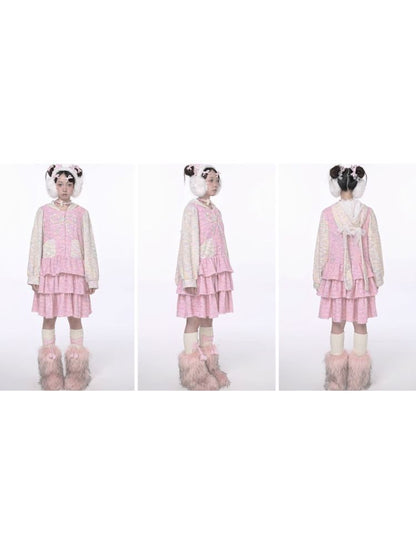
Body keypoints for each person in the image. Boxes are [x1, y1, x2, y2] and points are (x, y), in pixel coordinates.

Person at [27, 164, 99, 390]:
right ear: (53, 186)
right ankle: (50, 373)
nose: (64, 188)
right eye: (60, 184)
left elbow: (89, 245)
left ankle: (77, 372)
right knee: (49, 317)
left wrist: (92, 277)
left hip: (75, 274)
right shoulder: (43, 212)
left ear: (75, 186)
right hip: (50, 273)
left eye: (69, 184)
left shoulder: (82, 214)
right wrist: (34, 275)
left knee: (75, 317)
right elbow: (35, 243)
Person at [313, 165, 384, 390]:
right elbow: (374, 246)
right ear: (357, 185)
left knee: (337, 323)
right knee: (360, 323)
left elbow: (322, 248)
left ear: (336, 185)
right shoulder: (367, 213)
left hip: (336, 278)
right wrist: (378, 275)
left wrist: (318, 276)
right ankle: (359, 380)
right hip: (361, 277)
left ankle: (336, 378)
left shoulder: (328, 214)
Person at [175, 164, 233, 390]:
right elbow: (188, 243)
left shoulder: (215, 211)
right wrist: (189, 277)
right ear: (199, 182)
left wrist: (222, 271)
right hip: (197, 273)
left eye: (217, 180)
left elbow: (221, 243)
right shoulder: (192, 209)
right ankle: (192, 372)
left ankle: (210, 365)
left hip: (213, 273)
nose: (214, 184)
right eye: (210, 180)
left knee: (209, 318)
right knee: (194, 318)